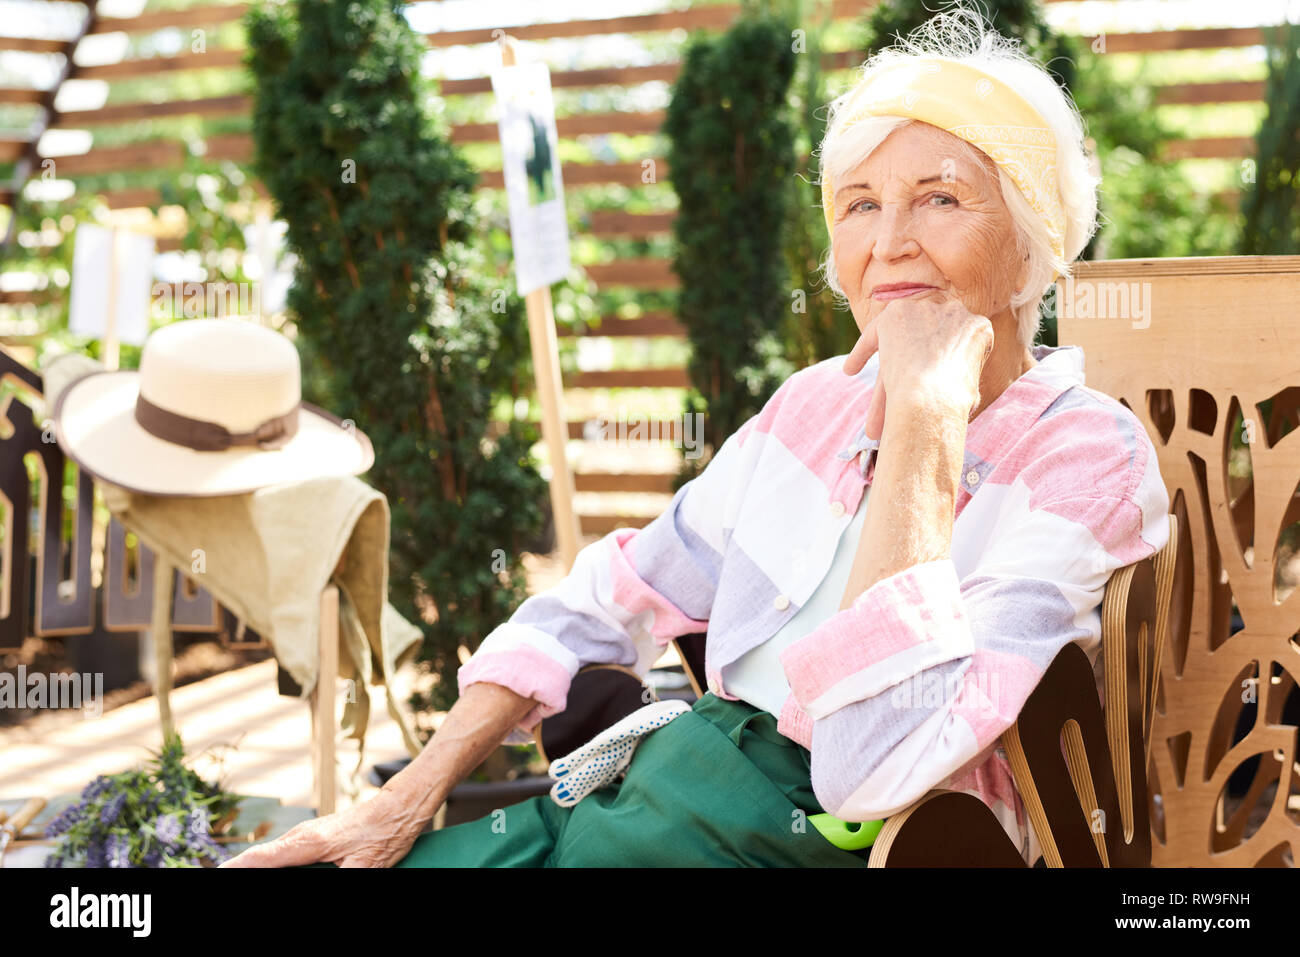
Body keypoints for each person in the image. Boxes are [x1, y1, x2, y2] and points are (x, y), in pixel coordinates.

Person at [223, 10, 1170, 869]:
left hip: (850, 845)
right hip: (651, 795)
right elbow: (610, 592)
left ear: (1038, 237)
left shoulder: (1085, 457)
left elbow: (872, 768)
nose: (888, 242)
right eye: (859, 204)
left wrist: (927, 417)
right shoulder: (812, 408)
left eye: (940, 198)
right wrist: (409, 790)